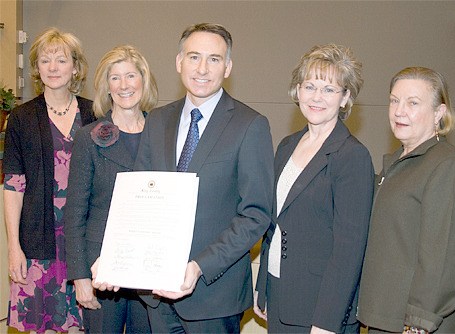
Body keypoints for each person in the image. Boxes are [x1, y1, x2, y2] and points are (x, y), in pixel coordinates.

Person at [125, 22, 274, 333]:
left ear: (228, 67)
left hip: (213, 297)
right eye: (194, 57)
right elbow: (139, 199)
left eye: (214, 59)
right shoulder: (158, 121)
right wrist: (118, 253)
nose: (202, 68)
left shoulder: (250, 126)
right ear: (179, 62)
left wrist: (198, 267)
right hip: (156, 294)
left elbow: (255, 215)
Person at [253, 44, 375, 334]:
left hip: (322, 311)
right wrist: (264, 287)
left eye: (329, 89)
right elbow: (275, 223)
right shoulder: (287, 146)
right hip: (281, 297)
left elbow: (350, 249)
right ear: (297, 91)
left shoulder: (351, 156)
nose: (317, 97)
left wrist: (326, 322)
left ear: (345, 98)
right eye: (309, 86)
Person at [357, 67, 455, 333]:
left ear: (439, 113)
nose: (399, 111)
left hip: (418, 326)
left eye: (412, 103)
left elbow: (442, 259)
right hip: (386, 319)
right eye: (394, 100)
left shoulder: (446, 165)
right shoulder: (396, 163)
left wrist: (418, 325)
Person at [3, 27, 94, 333]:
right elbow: (13, 186)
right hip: (38, 241)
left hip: (83, 241)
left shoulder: (95, 114)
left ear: (75, 67)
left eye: (61, 60)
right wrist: (13, 247)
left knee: (87, 324)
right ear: (37, 68)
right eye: (45, 60)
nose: (53, 67)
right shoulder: (21, 117)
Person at [64, 45, 158, 333]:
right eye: (114, 78)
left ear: (144, 80)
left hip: (149, 269)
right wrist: (80, 277)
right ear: (106, 86)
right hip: (101, 270)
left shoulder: (163, 133)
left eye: (131, 75)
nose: (124, 85)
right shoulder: (88, 137)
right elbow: (75, 211)